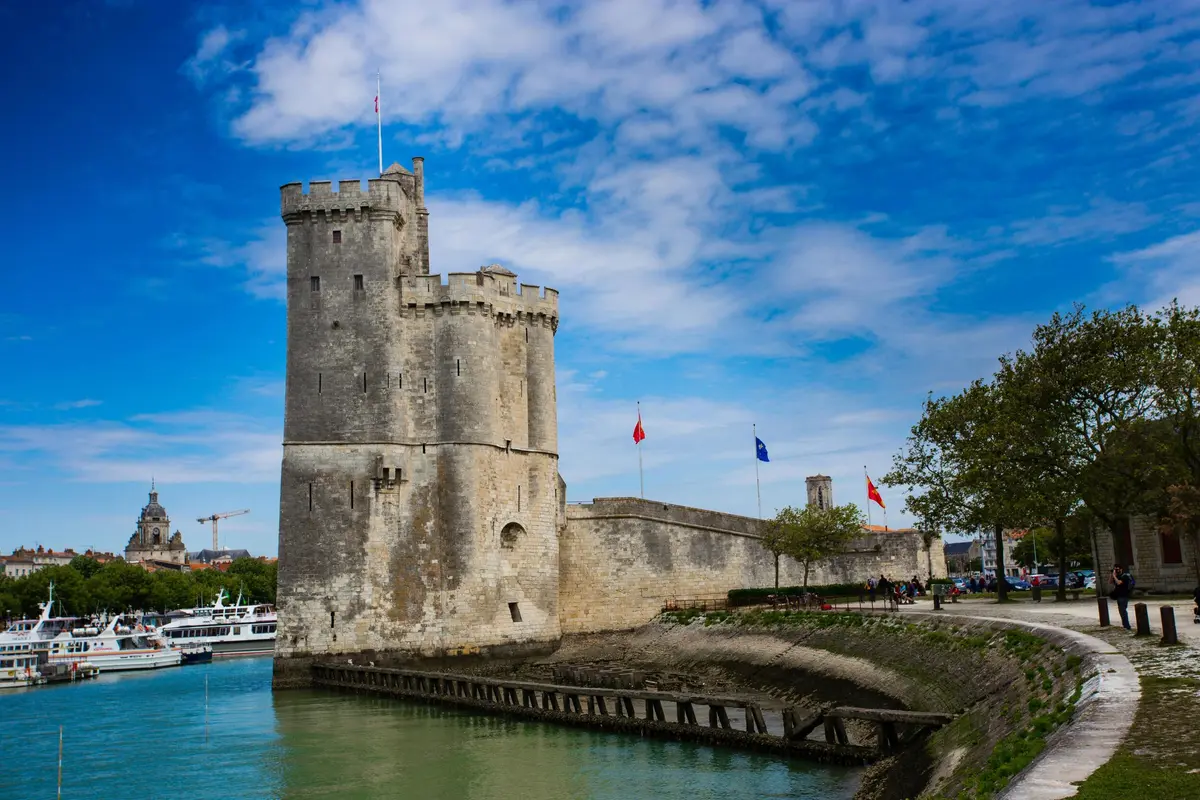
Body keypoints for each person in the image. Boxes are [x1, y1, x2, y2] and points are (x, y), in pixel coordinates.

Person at [1110, 564, 1133, 630]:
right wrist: (1112, 575)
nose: (1116, 571)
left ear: (1121, 569)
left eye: (1117, 569)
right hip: (1119, 596)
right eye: (1115, 569)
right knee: (1121, 611)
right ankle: (1125, 625)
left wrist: (1114, 576)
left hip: (1124, 596)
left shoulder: (1124, 576)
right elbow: (1110, 582)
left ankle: (1127, 626)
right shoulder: (1116, 576)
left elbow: (1119, 583)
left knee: (1123, 611)